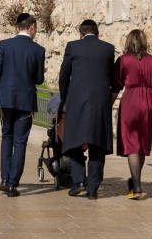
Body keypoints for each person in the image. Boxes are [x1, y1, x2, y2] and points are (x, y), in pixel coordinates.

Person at [0, 13, 45, 197]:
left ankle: (4, 179)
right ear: (32, 27)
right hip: (25, 102)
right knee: (20, 141)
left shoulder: (4, 46)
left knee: (7, 137)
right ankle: (13, 184)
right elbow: (38, 80)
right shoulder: (38, 50)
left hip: (5, 100)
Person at [111, 29, 152, 200]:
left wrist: (108, 105)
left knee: (132, 144)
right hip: (150, 103)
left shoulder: (123, 61)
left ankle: (136, 186)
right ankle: (135, 180)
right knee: (142, 143)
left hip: (130, 101)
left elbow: (116, 87)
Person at [59, 19, 115, 200]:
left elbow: (64, 75)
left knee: (73, 141)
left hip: (77, 102)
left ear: (80, 34)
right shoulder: (108, 49)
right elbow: (111, 77)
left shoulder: (73, 47)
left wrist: (64, 97)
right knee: (97, 145)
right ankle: (93, 188)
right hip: (100, 103)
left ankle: (79, 181)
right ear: (98, 33)